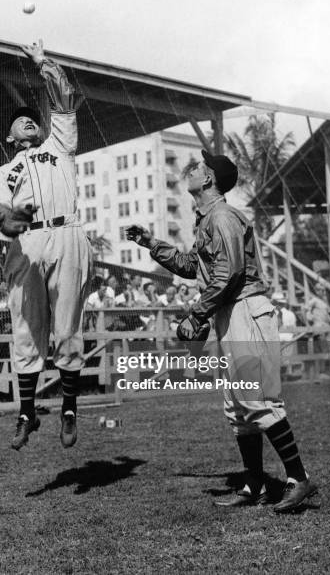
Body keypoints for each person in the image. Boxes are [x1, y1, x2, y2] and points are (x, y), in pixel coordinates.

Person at [126, 149, 317, 513]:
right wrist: (151, 243)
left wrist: (197, 314)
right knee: (238, 406)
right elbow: (190, 265)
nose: (192, 169)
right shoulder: (208, 219)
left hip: (246, 307)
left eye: (198, 166)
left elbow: (230, 274)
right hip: (230, 311)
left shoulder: (224, 216)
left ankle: (298, 477)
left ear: (208, 179)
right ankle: (254, 483)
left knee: (258, 399)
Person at [0, 39, 92, 451]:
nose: (29, 120)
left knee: (67, 329)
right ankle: (27, 412)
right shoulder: (5, 169)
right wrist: (10, 220)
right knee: (26, 330)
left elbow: (64, 98)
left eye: (33, 118)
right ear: (10, 137)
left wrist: (43, 62)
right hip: (27, 242)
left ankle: (68, 408)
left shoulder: (59, 146)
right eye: (21, 120)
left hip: (66, 233)